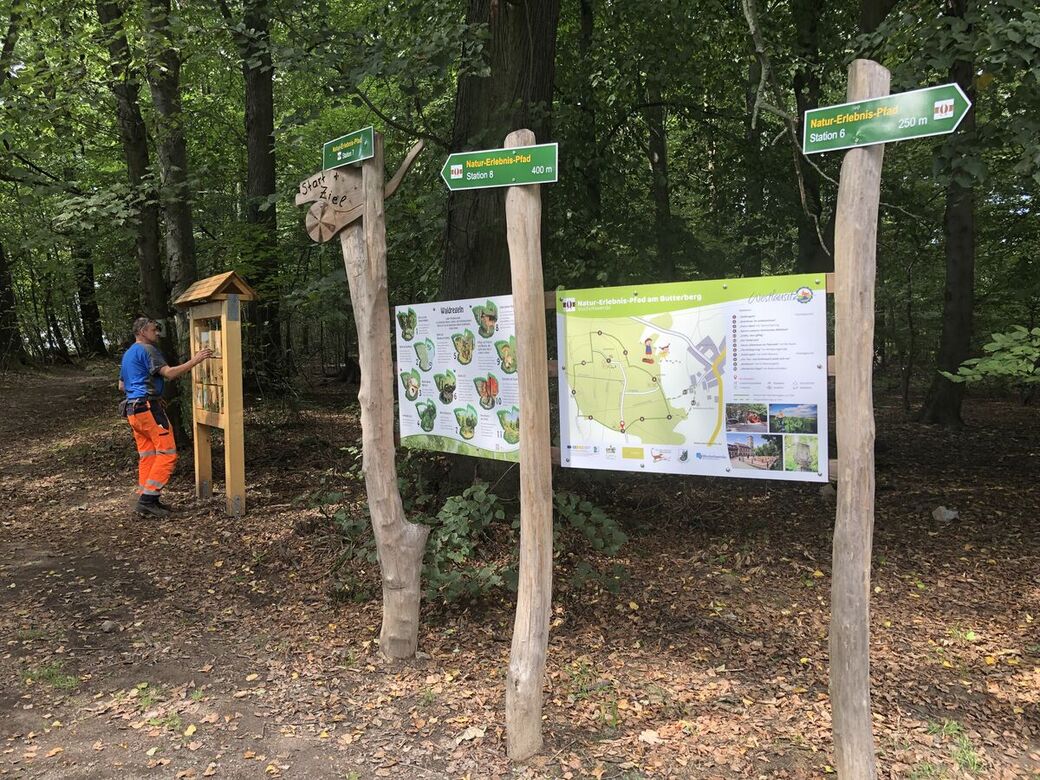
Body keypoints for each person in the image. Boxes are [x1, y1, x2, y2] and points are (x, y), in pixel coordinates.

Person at [119, 317, 211, 518]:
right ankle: (147, 501)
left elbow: (122, 386)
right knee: (167, 453)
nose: (157, 333)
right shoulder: (148, 350)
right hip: (148, 409)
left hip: (133, 410)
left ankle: (147, 498)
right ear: (142, 331)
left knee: (148, 455)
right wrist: (195, 360)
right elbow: (169, 373)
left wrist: (150, 393)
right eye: (154, 330)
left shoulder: (128, 353)